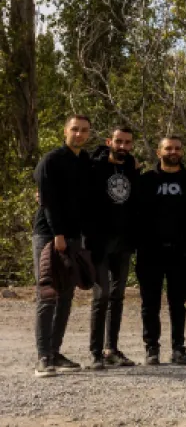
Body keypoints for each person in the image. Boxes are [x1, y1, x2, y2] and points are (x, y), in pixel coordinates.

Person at [135, 136, 186, 366]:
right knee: (150, 303)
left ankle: (178, 347)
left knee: (178, 303)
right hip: (150, 251)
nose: (173, 151)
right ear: (159, 152)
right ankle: (151, 348)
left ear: (182, 152)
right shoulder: (146, 180)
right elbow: (135, 215)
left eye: (177, 148)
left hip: (181, 251)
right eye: (168, 148)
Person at [32, 115, 92, 378]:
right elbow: (47, 201)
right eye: (74, 129)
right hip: (50, 236)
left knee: (67, 295)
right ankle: (43, 357)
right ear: (65, 131)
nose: (79, 134)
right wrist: (58, 235)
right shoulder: (51, 160)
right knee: (48, 294)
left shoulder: (84, 160)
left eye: (84, 131)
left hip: (74, 237)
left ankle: (55, 351)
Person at [85, 125, 141, 370]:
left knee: (118, 296)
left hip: (124, 241)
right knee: (102, 295)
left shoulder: (131, 168)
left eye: (128, 143)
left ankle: (111, 349)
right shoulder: (94, 166)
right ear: (110, 141)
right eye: (119, 141)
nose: (123, 147)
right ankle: (95, 352)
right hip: (99, 242)